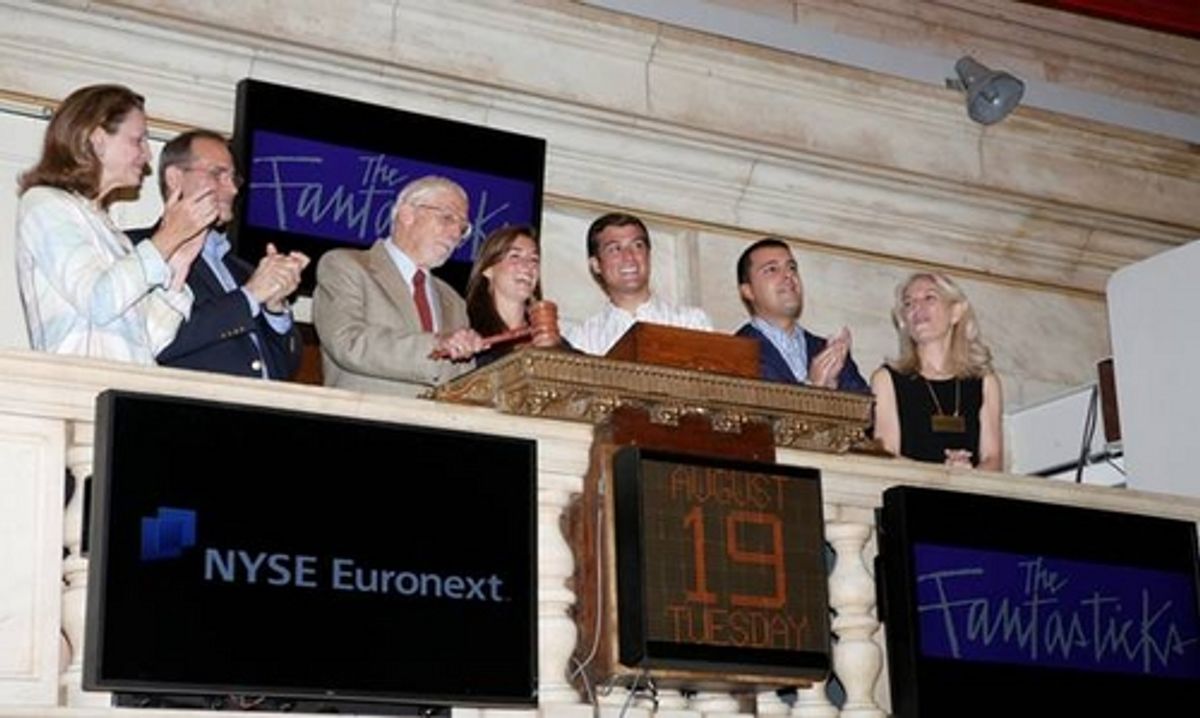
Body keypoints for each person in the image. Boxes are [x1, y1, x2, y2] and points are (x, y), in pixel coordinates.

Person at [15, 84, 217, 363]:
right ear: (98, 140)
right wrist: (167, 237)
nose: (148, 155)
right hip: (77, 387)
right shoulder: (45, 204)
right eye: (138, 140)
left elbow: (149, 341)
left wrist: (178, 262)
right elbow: (99, 301)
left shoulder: (115, 236)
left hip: (123, 387)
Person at [128, 130, 307, 379]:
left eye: (234, 178)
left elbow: (282, 371)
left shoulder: (243, 271)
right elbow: (154, 342)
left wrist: (275, 309)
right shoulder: (136, 250)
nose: (232, 189)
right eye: (217, 174)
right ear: (175, 178)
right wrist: (249, 296)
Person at [313, 175, 485, 397]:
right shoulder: (344, 266)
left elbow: (460, 382)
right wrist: (436, 346)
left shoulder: (453, 300)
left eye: (463, 228)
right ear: (407, 214)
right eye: (447, 218)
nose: (455, 234)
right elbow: (348, 342)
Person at [871, 272, 1003, 470]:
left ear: (955, 312)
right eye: (908, 303)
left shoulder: (985, 381)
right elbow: (887, 455)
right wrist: (941, 476)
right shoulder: (886, 379)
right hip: (911, 488)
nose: (917, 307)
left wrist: (968, 477)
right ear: (904, 321)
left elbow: (993, 459)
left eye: (929, 298)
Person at [564, 212, 712, 355]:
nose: (629, 257)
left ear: (648, 255)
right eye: (615, 249)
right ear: (596, 265)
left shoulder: (690, 323)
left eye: (637, 246)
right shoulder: (583, 340)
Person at [734, 238, 868, 392]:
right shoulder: (734, 353)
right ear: (748, 291)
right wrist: (812, 386)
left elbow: (866, 405)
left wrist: (833, 387)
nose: (788, 275)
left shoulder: (828, 353)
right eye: (772, 269)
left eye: (792, 267)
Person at [464, 225, 562, 368]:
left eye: (534, 259)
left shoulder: (548, 336)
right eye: (515, 256)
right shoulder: (467, 331)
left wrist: (555, 353)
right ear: (488, 269)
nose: (528, 266)